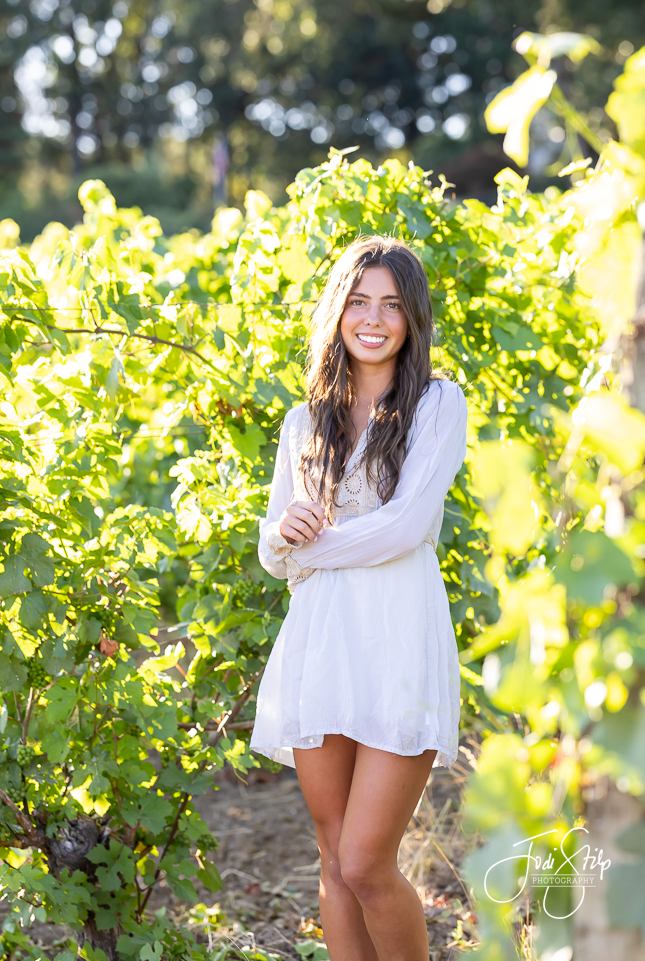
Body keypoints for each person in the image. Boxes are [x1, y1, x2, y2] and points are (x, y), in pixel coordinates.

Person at [251, 235, 468, 961]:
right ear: (337, 312)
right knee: (333, 857)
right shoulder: (303, 422)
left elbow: (404, 528)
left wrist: (308, 550)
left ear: (412, 319)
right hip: (321, 644)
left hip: (398, 640)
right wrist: (284, 533)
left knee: (367, 862)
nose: (373, 319)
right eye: (359, 301)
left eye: (391, 305)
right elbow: (274, 554)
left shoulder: (437, 404)